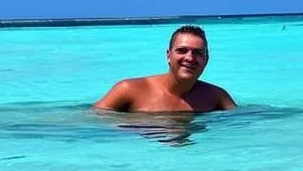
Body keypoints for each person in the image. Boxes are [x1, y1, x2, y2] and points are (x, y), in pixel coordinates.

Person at [93, 24, 238, 113]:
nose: (190, 58)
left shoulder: (216, 96)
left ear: (206, 59)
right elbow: (93, 122)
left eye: (198, 53)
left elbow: (243, 121)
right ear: (169, 56)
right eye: (182, 51)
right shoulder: (129, 90)